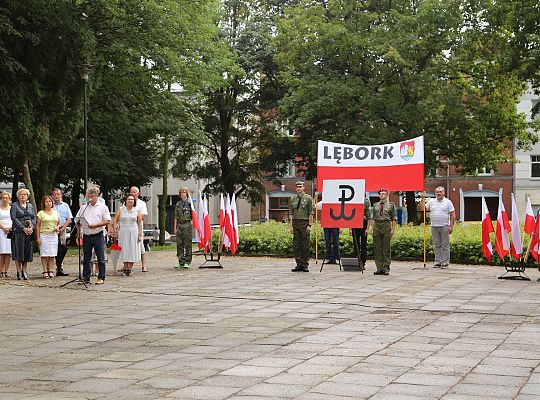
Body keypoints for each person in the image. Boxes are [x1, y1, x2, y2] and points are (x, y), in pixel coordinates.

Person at [76, 186, 111, 285]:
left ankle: (101, 277)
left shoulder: (103, 207)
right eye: (89, 196)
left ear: (97, 196)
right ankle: (86, 277)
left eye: (92, 196)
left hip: (98, 234)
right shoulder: (84, 207)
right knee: (86, 258)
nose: (90, 198)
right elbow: (77, 220)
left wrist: (96, 225)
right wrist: (79, 232)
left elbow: (107, 220)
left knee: (100, 257)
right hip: (87, 234)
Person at [368, 188, 397, 275]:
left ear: (387, 195)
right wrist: (371, 228)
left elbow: (394, 219)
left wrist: (392, 230)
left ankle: (386, 268)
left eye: (383, 194)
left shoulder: (391, 205)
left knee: (386, 248)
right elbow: (373, 218)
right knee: (377, 248)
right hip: (377, 225)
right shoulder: (375, 205)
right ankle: (379, 267)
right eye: (380, 194)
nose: (381, 195)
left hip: (386, 225)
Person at [426, 186, 455, 268]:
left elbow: (452, 214)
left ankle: (445, 262)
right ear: (435, 193)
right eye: (437, 192)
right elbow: (422, 208)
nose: (439, 193)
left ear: (444, 193)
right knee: (436, 245)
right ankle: (438, 261)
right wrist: (423, 198)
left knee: (445, 245)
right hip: (434, 226)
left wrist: (451, 226)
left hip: (444, 226)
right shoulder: (431, 202)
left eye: (440, 192)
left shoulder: (448, 202)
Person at [113, 193, 142, 276]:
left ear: (134, 201)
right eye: (129, 199)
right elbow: (115, 220)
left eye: (132, 199)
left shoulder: (137, 210)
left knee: (132, 248)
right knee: (124, 248)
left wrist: (140, 234)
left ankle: (130, 268)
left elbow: (139, 223)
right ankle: (125, 267)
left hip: (133, 231)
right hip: (123, 231)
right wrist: (115, 231)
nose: (130, 201)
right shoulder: (121, 209)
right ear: (126, 200)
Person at [10, 188, 36, 280]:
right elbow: (14, 218)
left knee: (27, 251)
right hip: (18, 231)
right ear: (18, 196)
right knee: (18, 251)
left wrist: (31, 227)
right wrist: (23, 228)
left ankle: (24, 271)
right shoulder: (14, 205)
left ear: (27, 196)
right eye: (21, 194)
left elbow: (33, 218)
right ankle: (18, 271)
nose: (23, 196)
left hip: (29, 231)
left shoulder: (30, 206)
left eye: (25, 194)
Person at [290, 181, 313, 272]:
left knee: (305, 245)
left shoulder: (308, 198)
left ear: (304, 188)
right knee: (296, 245)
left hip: (304, 223)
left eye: (300, 186)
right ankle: (298, 264)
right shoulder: (292, 199)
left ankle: (305, 264)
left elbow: (311, 213)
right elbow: (291, 213)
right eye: (297, 187)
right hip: (295, 223)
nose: (299, 188)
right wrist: (291, 226)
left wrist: (309, 225)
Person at [36, 195, 60, 279]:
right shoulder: (40, 213)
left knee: (52, 253)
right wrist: (38, 237)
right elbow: (38, 225)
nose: (48, 203)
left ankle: (51, 270)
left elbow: (58, 223)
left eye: (50, 201)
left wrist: (57, 228)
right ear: (44, 203)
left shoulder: (56, 213)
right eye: (46, 202)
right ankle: (45, 270)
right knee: (44, 253)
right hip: (44, 234)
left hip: (53, 235)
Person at [52, 188, 72, 276]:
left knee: (63, 248)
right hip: (52, 230)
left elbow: (69, 219)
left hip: (63, 229)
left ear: (61, 195)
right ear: (52, 195)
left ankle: (60, 268)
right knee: (54, 249)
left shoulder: (65, 205)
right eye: (55, 194)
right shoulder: (50, 205)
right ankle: (53, 268)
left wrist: (63, 228)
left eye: (58, 194)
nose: (56, 196)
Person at [130, 186, 149, 272]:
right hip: (128, 228)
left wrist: (135, 216)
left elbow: (142, 216)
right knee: (128, 247)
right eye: (131, 192)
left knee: (141, 248)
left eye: (135, 192)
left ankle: (144, 265)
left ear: (138, 193)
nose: (133, 193)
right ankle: (128, 266)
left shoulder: (141, 203)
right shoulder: (126, 203)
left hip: (138, 227)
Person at [174, 187, 192, 269]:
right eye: (181, 192)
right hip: (179, 224)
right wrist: (175, 228)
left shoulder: (190, 203)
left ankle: (187, 261)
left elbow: (193, 215)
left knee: (187, 244)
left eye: (184, 192)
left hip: (187, 224)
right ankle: (180, 261)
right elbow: (176, 217)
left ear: (187, 193)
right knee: (179, 244)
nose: (182, 193)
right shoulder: (178, 204)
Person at [351, 197, 372, 267]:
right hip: (354, 223)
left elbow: (369, 216)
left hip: (363, 223)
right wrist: (350, 228)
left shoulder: (366, 201)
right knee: (355, 244)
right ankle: (356, 261)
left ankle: (363, 262)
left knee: (363, 244)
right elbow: (350, 215)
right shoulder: (352, 200)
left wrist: (367, 228)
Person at [0, 191, 12, 278]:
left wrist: (10, 228)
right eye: (3, 197)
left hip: (10, 230)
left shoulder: (12, 208)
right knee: (1, 252)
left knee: (8, 252)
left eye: (6, 198)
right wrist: (3, 228)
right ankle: (1, 270)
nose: (5, 199)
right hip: (1, 230)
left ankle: (6, 271)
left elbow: (14, 219)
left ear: (9, 199)